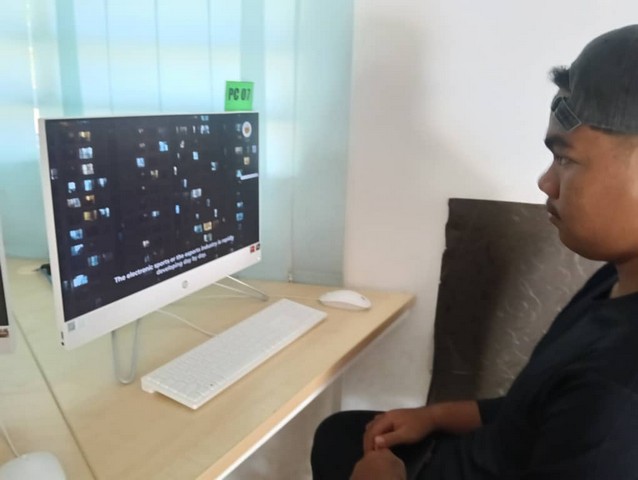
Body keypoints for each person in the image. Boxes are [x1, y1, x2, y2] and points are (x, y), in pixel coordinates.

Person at [310, 24, 638, 479]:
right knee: (342, 433)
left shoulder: (616, 398)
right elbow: (535, 405)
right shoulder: (618, 277)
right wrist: (437, 415)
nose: (546, 182)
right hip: (491, 452)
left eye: (565, 158)